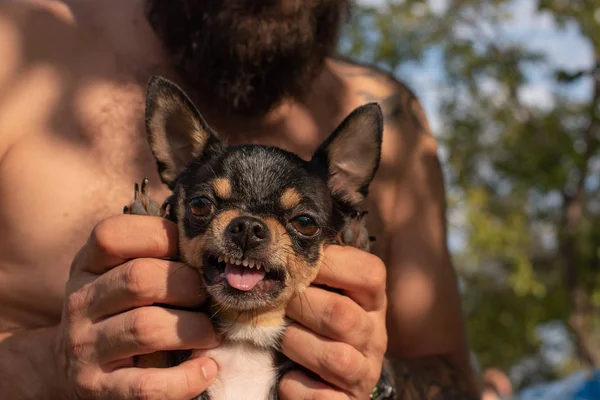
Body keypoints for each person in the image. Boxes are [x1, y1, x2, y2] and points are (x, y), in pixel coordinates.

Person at [0, 0, 480, 398]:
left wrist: (375, 383)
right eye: (206, 207)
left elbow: (456, 383)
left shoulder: (395, 124)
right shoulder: (19, 46)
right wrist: (50, 364)